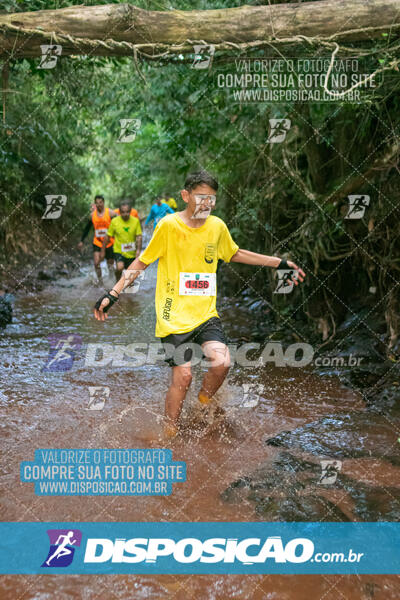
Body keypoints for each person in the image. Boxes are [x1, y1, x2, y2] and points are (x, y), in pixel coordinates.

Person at [94, 171, 306, 439]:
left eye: (212, 199)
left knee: (222, 362)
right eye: (202, 197)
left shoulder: (217, 227)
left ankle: (202, 406)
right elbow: (141, 262)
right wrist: (113, 294)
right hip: (172, 315)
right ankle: (169, 431)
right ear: (186, 196)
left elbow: (235, 253)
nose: (207, 204)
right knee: (184, 377)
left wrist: (280, 263)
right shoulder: (168, 226)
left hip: (206, 313)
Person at [77, 195, 117, 285]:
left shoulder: (110, 213)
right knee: (96, 263)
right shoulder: (92, 215)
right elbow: (87, 229)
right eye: (97, 203)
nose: (99, 205)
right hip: (97, 242)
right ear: (95, 204)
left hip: (110, 243)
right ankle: (100, 282)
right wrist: (81, 241)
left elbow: (119, 224)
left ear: (103, 202)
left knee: (110, 265)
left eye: (100, 202)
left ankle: (111, 279)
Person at [100, 200, 142, 282]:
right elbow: (107, 237)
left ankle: (126, 292)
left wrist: (138, 250)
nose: (125, 214)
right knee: (120, 267)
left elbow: (139, 236)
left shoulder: (135, 221)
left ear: (130, 211)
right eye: (123, 212)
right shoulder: (114, 221)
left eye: (127, 212)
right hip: (119, 250)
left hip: (131, 252)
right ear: (119, 212)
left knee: (131, 275)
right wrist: (103, 250)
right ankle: (117, 281)